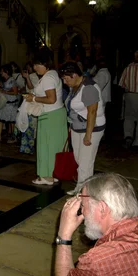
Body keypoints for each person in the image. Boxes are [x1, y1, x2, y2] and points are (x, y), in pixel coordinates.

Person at [35, 173, 138, 276]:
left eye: (83, 206)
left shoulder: (98, 260)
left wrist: (64, 234)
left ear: (102, 208)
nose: (82, 212)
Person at [60, 62, 106, 195]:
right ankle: (83, 187)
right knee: (79, 159)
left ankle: (83, 193)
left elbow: (92, 112)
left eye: (66, 78)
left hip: (92, 128)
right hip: (77, 127)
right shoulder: (75, 86)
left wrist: (88, 135)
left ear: (74, 75)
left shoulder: (89, 87)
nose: (64, 81)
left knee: (85, 162)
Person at [25, 54, 67, 185]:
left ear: (46, 64)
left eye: (38, 65)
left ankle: (47, 176)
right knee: (54, 145)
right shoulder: (52, 74)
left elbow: (51, 99)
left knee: (46, 145)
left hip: (51, 115)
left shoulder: (48, 78)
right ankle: (54, 173)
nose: (35, 67)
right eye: (34, 65)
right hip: (56, 114)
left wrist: (33, 99)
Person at [119, 50, 138, 148]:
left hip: (130, 95)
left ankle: (128, 136)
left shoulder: (128, 68)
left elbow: (122, 84)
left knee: (129, 118)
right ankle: (136, 142)